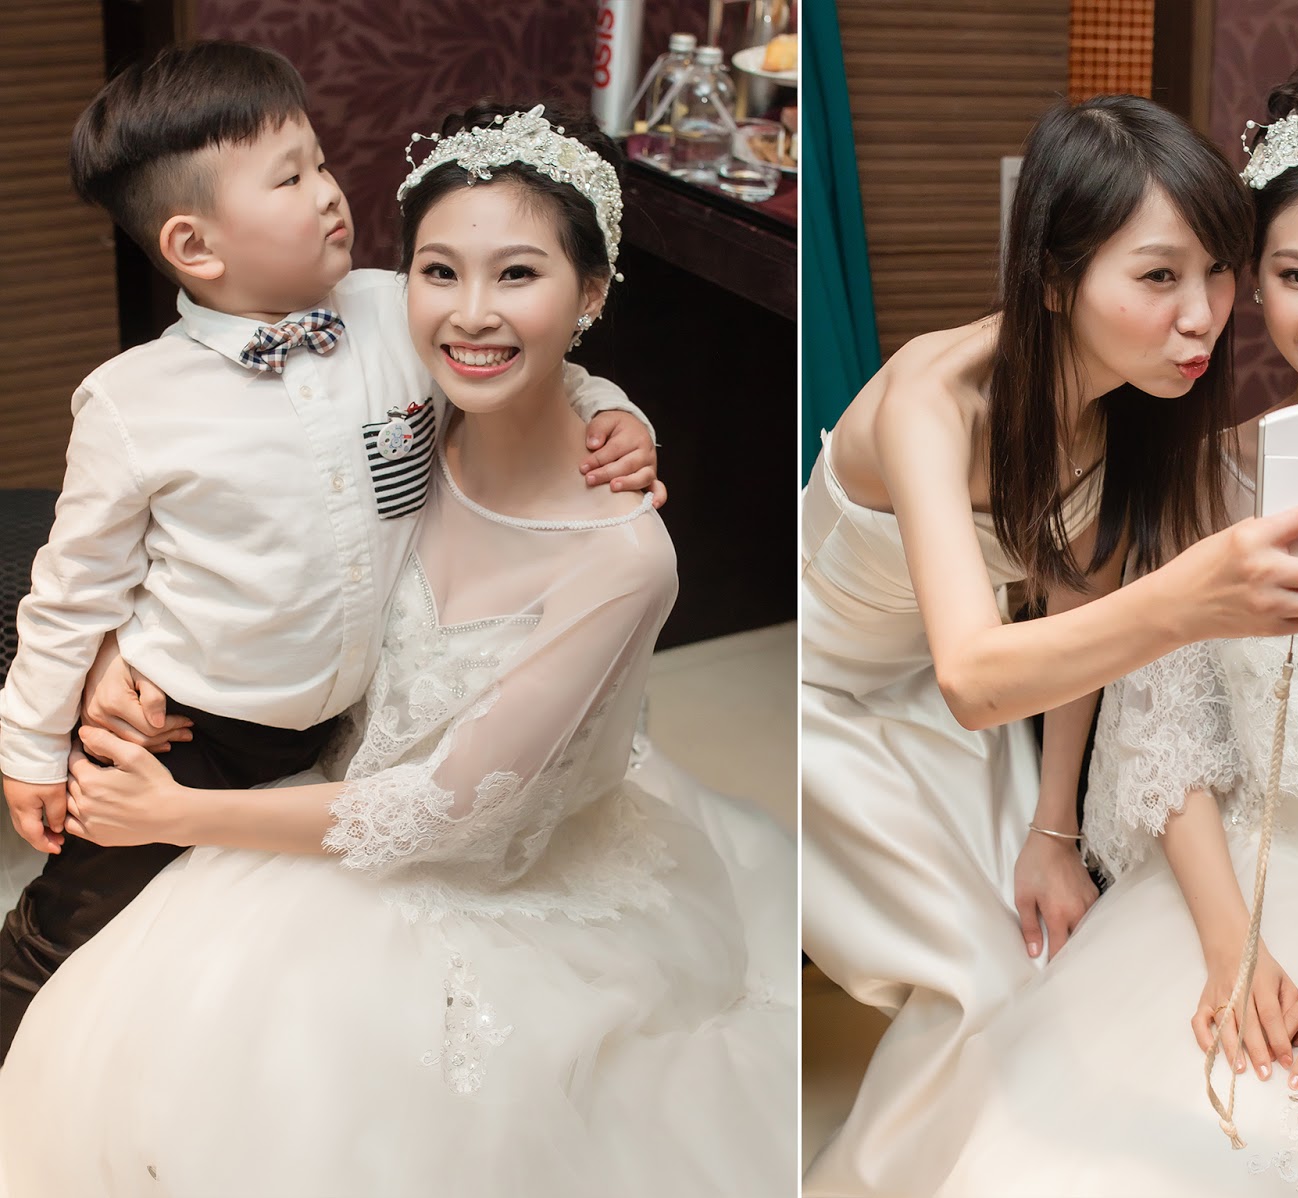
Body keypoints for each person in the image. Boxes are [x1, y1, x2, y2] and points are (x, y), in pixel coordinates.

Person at [0, 101, 797, 1197]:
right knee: (77, 970)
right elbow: (99, 566)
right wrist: (105, 660)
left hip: (440, 841)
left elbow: (443, 811)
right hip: (260, 742)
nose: (470, 313)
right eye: (440, 271)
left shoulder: (608, 544)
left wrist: (625, 415)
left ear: (593, 292)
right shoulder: (395, 382)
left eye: (518, 274)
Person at [845, 64, 1298, 1197]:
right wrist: (1227, 941)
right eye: (1294, 276)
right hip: (1226, 882)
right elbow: (1167, 727)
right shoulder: (1198, 463)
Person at [0, 40, 659, 1059]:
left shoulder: (398, 309)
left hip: (347, 711)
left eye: (320, 161)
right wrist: (32, 749)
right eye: (289, 178)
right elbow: (73, 586)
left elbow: (523, 361)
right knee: (79, 922)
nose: (329, 192)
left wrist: (617, 411)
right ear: (195, 245)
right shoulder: (135, 403)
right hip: (194, 720)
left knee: (246, 954)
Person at [801, 94, 1298, 1191]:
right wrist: (1189, 597)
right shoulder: (936, 398)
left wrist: (1052, 827)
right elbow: (974, 677)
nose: (1202, 315)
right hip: (824, 701)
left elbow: (1072, 611)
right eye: (1158, 276)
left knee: (1043, 964)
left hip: (958, 692)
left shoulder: (1126, 407)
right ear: (1055, 279)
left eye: (1218, 272)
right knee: (975, 981)